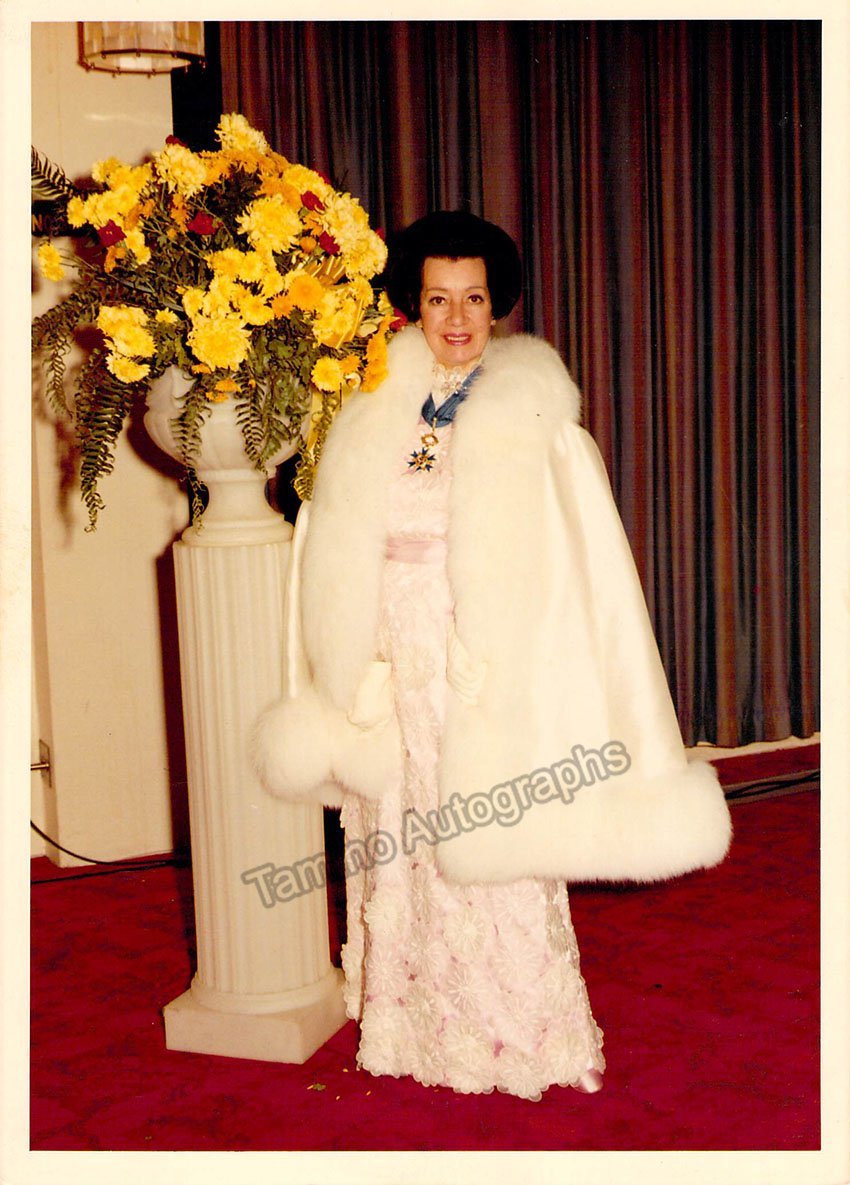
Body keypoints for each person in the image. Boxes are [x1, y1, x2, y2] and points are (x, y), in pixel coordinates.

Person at [254, 210, 732, 1101]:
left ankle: (519, 1033)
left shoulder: (532, 420)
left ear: (496, 305)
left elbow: (581, 564)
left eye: (473, 298)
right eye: (439, 299)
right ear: (414, 305)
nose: (457, 318)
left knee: (488, 832)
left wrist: (501, 646)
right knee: (395, 832)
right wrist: (349, 648)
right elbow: (335, 533)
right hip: (391, 658)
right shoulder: (372, 405)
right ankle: (408, 1024)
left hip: (479, 662)